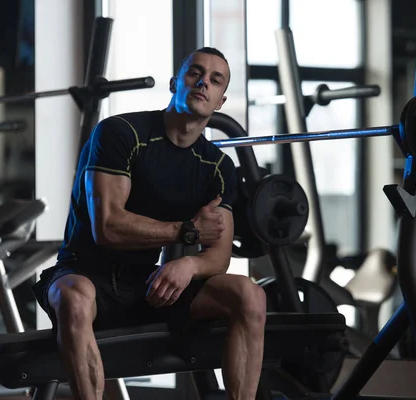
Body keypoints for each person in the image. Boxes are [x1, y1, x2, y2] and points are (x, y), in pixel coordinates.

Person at [32, 47, 267, 400]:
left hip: (147, 285)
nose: (204, 82)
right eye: (195, 73)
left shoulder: (217, 166)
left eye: (215, 80)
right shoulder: (122, 133)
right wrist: (186, 231)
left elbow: (218, 255)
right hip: (84, 274)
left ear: (221, 101)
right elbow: (108, 227)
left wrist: (188, 264)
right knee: (73, 300)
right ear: (175, 83)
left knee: (251, 294)